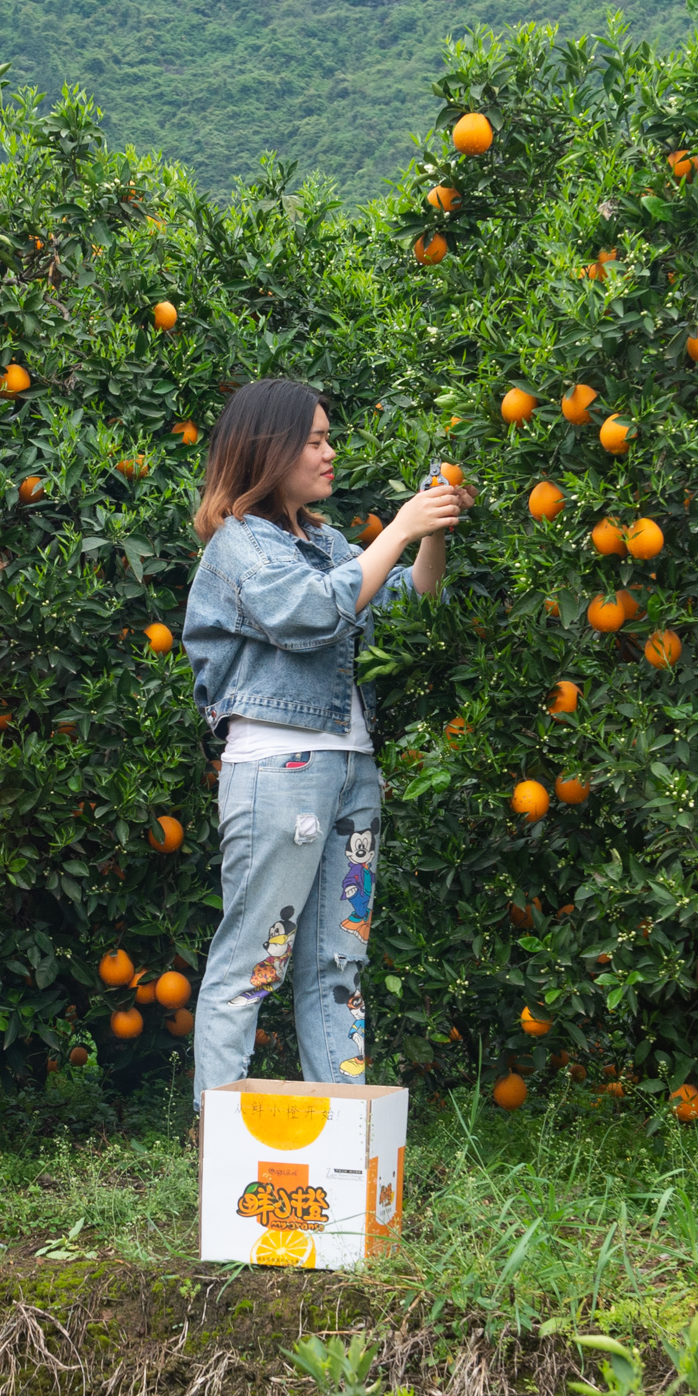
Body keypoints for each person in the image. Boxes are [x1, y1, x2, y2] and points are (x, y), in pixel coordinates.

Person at [179, 379, 466, 1104]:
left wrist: (429, 531)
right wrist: (398, 527)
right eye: (313, 439)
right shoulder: (239, 546)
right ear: (268, 449)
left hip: (349, 771)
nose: (329, 451)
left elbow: (409, 601)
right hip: (280, 771)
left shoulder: (329, 542)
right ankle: (224, 1155)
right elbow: (309, 614)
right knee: (253, 963)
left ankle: (346, 1146)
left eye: (327, 436)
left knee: (338, 968)